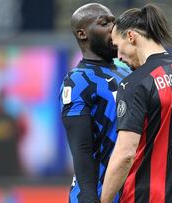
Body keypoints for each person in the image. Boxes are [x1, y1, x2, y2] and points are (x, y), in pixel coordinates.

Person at [100, 4, 172, 203]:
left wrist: (104, 200)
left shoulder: (136, 82)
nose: (119, 57)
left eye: (117, 47)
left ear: (131, 36)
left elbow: (125, 154)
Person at [60, 3, 131, 203]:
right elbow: (81, 148)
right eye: (104, 23)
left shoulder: (127, 69)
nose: (113, 28)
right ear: (83, 34)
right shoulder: (77, 82)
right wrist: (90, 197)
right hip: (100, 192)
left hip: (133, 191)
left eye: (114, 22)